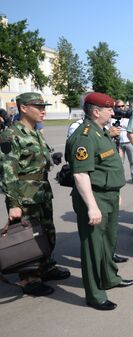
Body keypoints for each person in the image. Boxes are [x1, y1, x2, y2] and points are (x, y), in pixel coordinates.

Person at [65, 92, 133, 310]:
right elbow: (80, 174)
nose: (113, 112)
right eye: (109, 109)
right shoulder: (84, 136)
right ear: (96, 112)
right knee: (93, 247)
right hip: (94, 198)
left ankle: (110, 278)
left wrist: (116, 191)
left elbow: (106, 166)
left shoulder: (100, 132)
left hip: (109, 195)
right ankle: (95, 294)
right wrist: (92, 206)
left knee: (108, 242)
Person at [0, 92, 70, 297]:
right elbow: (6, 171)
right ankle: (29, 278)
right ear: (23, 108)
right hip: (24, 196)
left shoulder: (35, 131)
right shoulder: (11, 135)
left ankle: (46, 267)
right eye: (38, 107)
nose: (43, 111)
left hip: (41, 192)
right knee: (27, 238)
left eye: (44, 107)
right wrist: (13, 202)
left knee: (46, 232)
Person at [114, 99, 133, 184]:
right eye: (118, 106)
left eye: (122, 106)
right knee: (119, 162)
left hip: (129, 142)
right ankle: (119, 179)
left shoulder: (129, 116)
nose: (120, 108)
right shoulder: (113, 117)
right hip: (118, 143)